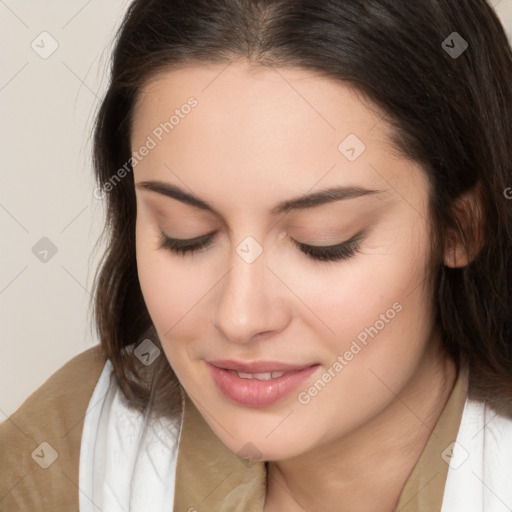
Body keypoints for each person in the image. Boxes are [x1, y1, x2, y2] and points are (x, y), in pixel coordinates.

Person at [1, 0, 511, 511]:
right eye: (187, 235)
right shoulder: (62, 458)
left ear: (460, 226)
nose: (239, 317)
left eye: (323, 242)